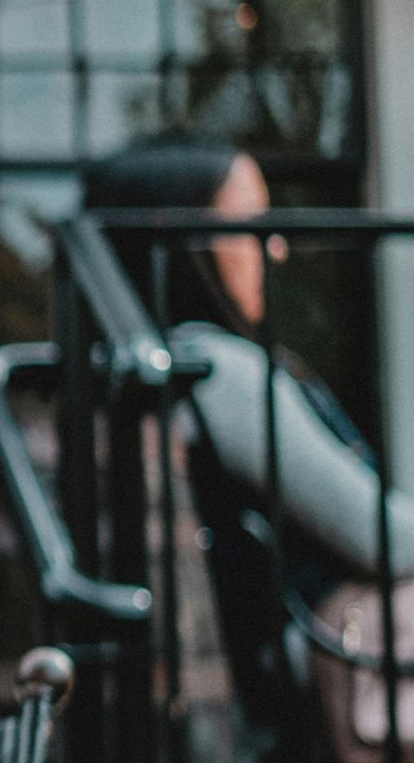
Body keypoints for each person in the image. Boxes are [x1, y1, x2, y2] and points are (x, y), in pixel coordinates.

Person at [82, 138, 414, 599]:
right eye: (251, 223)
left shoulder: (154, 374)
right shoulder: (216, 371)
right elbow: (385, 538)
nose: (273, 248)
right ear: (188, 244)